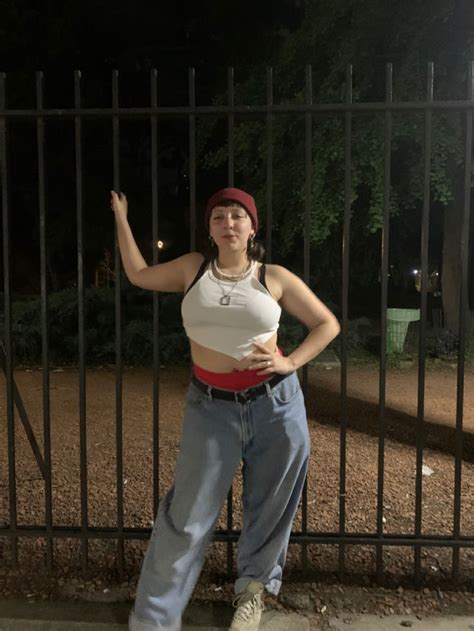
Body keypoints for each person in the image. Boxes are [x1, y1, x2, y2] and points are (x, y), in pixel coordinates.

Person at [110, 187, 340, 631]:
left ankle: (251, 595)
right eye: (219, 217)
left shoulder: (274, 276)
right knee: (187, 515)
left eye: (237, 216)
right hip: (210, 407)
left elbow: (326, 323)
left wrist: (289, 361)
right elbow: (138, 273)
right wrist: (122, 217)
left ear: (252, 227)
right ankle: (155, 619)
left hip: (275, 405)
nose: (228, 223)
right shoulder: (192, 269)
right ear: (210, 229)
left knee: (270, 508)